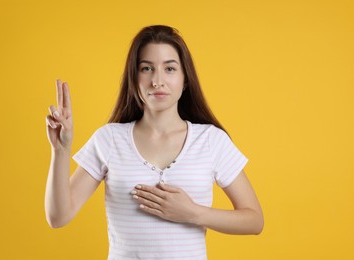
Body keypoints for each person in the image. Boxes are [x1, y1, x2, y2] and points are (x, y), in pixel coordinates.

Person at [45, 25, 263, 259]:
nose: (157, 81)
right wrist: (61, 150)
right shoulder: (109, 139)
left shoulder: (210, 140)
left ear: (185, 79)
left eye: (169, 68)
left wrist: (193, 213)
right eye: (147, 68)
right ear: (134, 77)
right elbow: (58, 217)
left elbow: (254, 220)